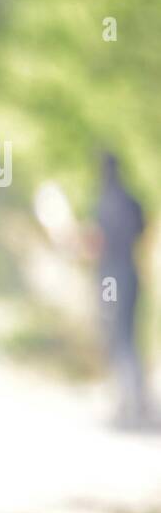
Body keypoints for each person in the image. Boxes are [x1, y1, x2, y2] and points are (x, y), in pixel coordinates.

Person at [96, 151, 151, 428]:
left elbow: (98, 242)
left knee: (115, 334)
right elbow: (143, 230)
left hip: (111, 279)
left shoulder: (103, 203)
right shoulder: (131, 201)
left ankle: (127, 403)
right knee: (128, 335)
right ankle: (138, 401)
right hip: (131, 273)